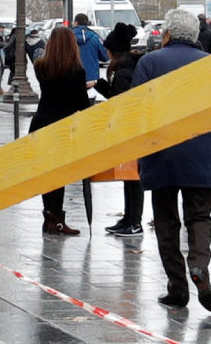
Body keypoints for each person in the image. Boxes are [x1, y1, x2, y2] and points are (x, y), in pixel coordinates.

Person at [130, 8, 211, 311]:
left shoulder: (150, 62)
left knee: (166, 222)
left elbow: (137, 109)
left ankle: (177, 287)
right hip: (200, 153)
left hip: (161, 153)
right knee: (199, 216)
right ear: (195, 36)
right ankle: (199, 266)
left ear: (166, 34)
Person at [32, 21, 93, 235]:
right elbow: (81, 105)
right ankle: (56, 219)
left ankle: (49, 216)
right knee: (59, 175)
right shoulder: (76, 70)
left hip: (41, 122)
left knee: (45, 173)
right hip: (62, 126)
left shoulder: (40, 66)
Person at [99, 23, 148, 239]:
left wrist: (101, 88)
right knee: (129, 176)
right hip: (135, 128)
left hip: (131, 130)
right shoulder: (131, 67)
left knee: (132, 176)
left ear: (113, 52)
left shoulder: (123, 73)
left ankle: (134, 221)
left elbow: (119, 101)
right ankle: (129, 218)